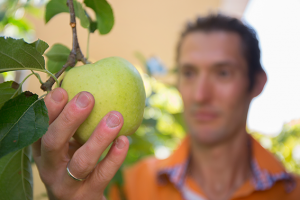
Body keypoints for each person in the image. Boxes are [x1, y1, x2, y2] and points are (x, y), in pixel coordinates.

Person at [32, 14, 300, 200]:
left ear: (257, 83)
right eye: (189, 73)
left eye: (223, 73)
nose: (201, 94)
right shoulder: (125, 186)